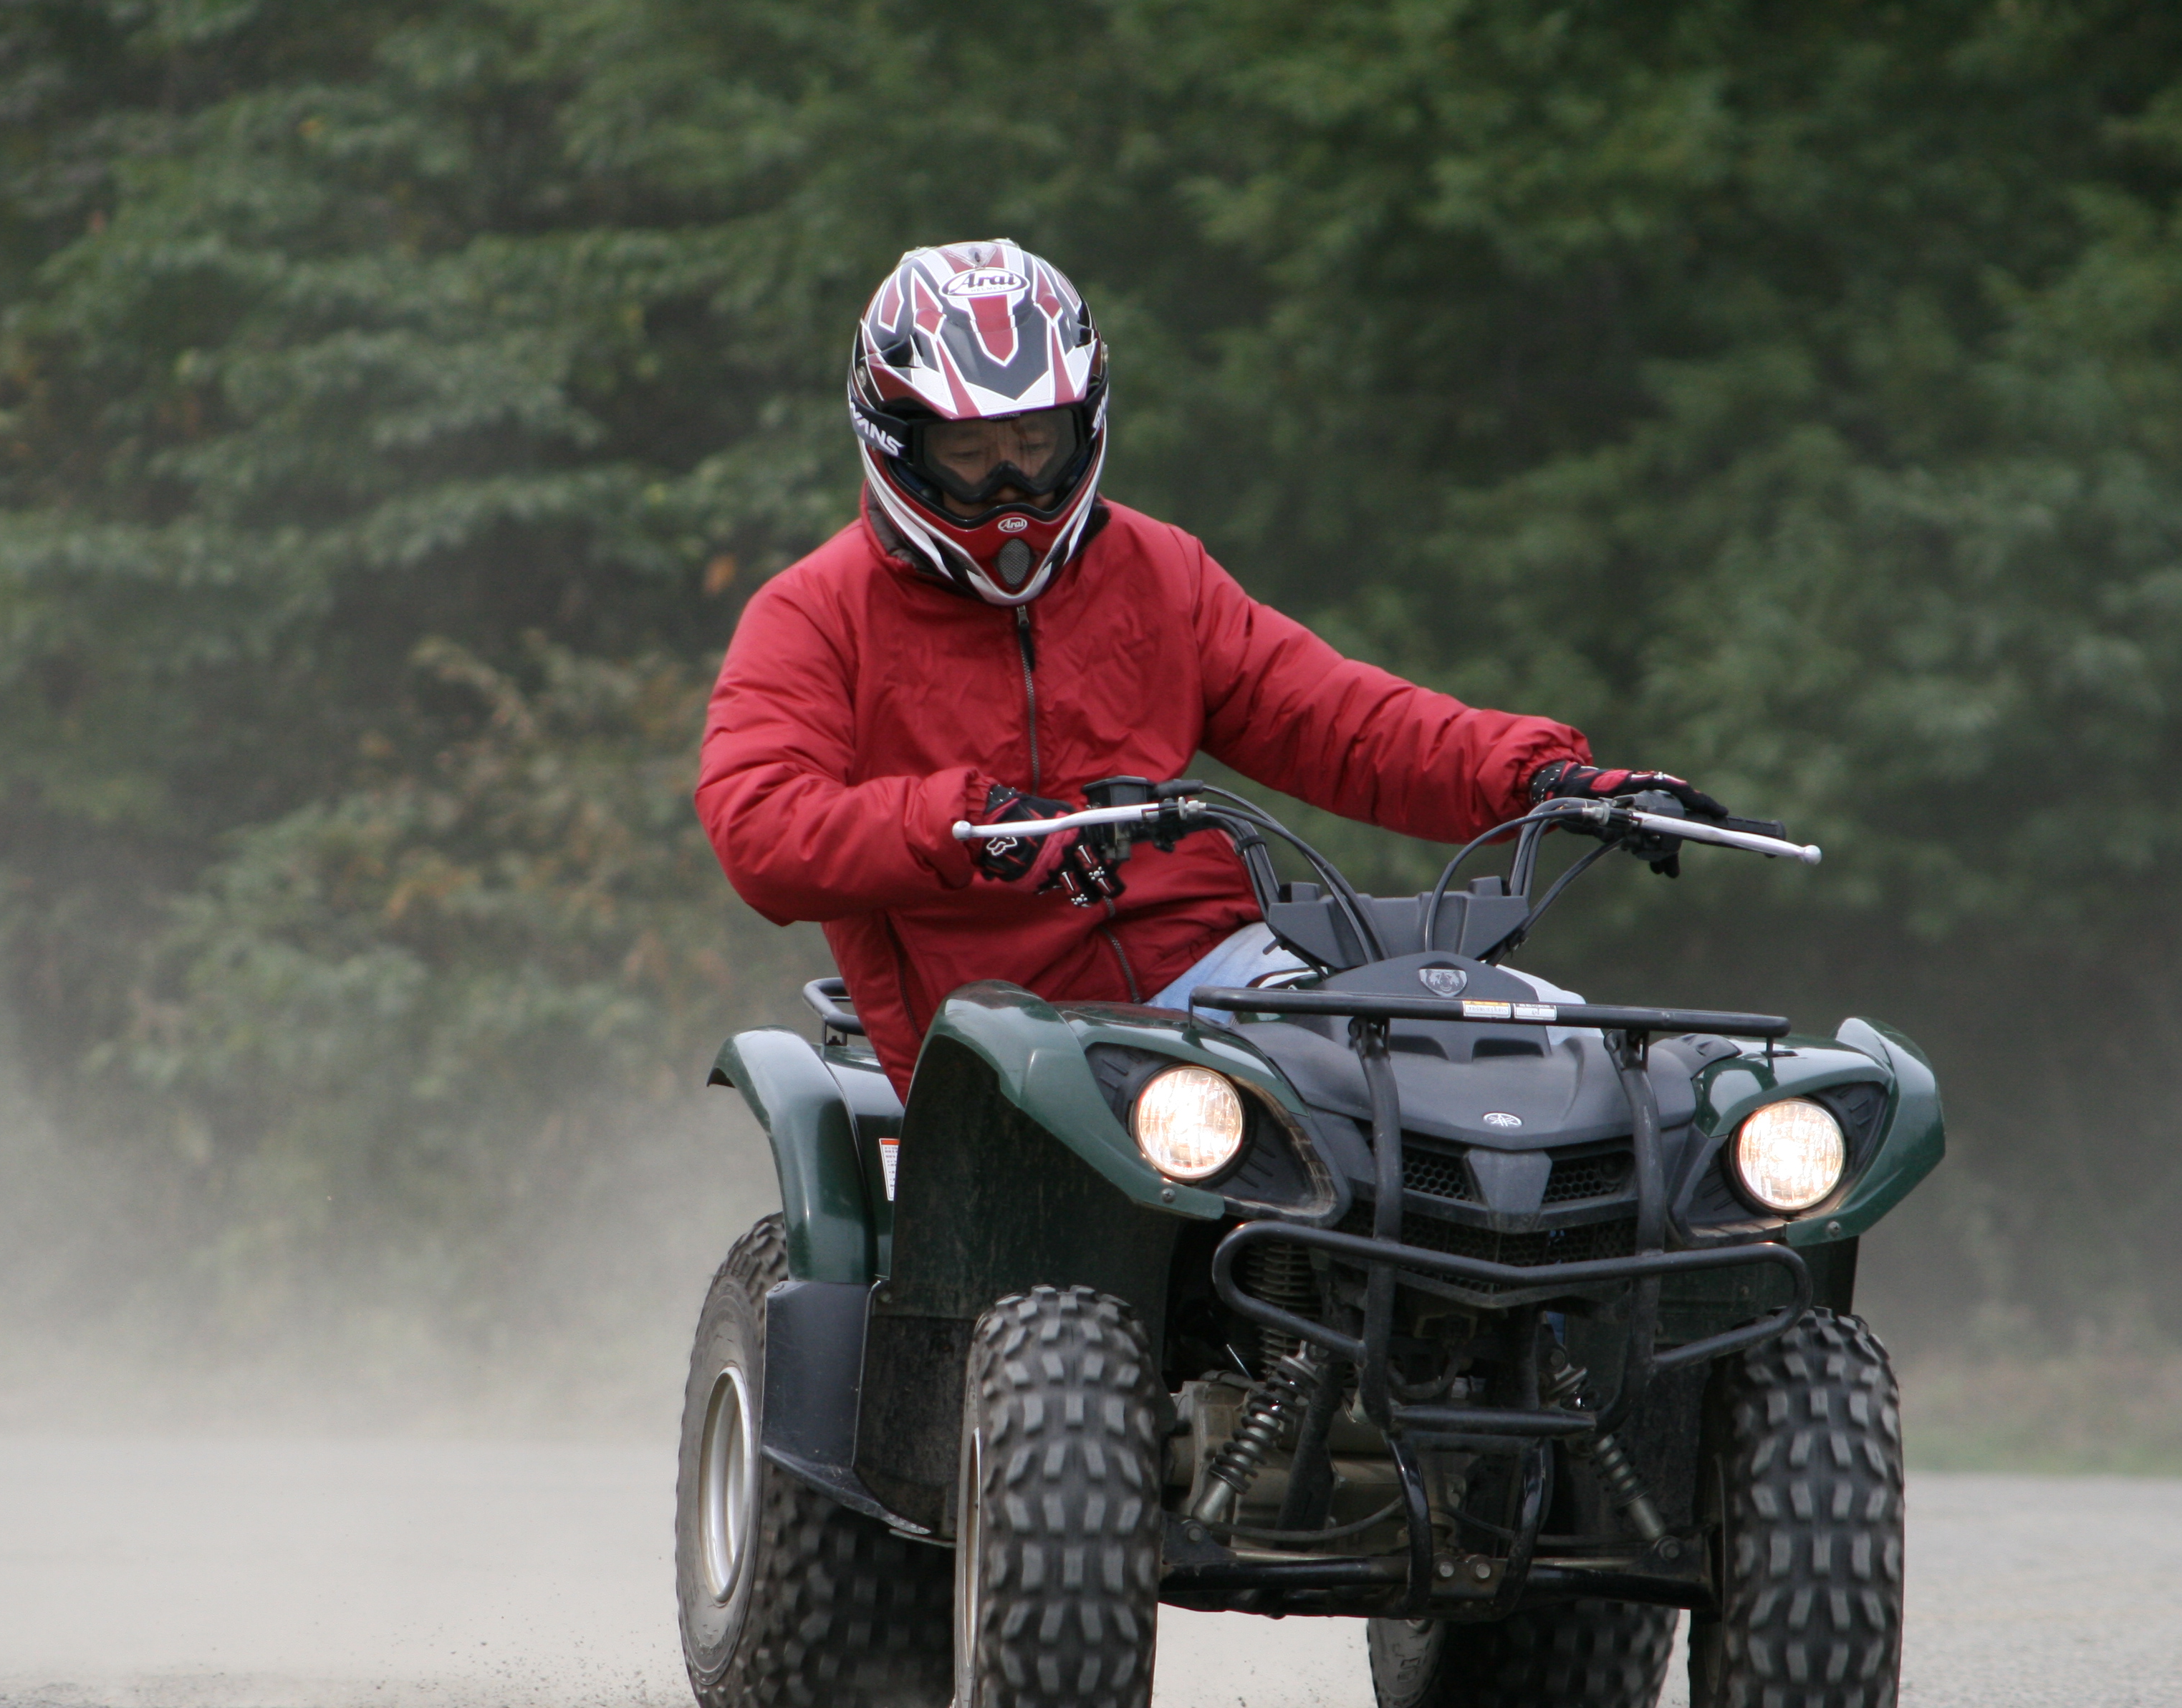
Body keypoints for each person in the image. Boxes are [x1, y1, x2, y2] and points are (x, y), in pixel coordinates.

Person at [696, 240, 1721, 1094]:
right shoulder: (812, 613)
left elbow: (1341, 721)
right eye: (971, 454)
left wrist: (1546, 778)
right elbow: (758, 824)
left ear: (1085, 427)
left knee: (1558, 1055)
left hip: (1222, 975)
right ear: (897, 444)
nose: (1012, 484)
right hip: (999, 1033)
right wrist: (966, 825)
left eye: (1036, 442)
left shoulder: (1159, 570)